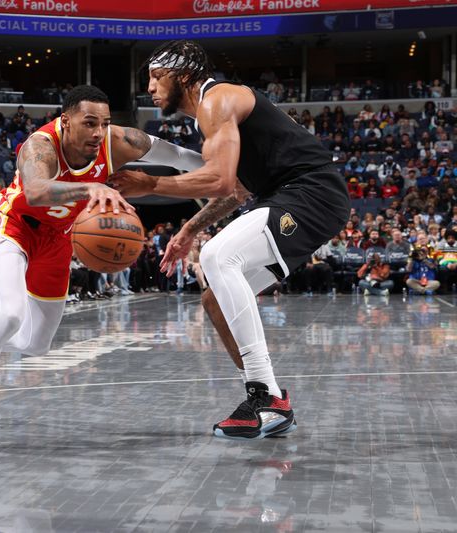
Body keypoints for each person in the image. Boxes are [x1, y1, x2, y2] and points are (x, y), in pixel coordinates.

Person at [0, 85, 196, 452]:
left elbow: (182, 156)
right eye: (89, 123)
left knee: (35, 344)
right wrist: (90, 189)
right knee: (8, 317)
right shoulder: (39, 146)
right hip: (16, 226)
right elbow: (36, 191)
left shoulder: (118, 141)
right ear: (66, 121)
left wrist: (225, 168)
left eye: (103, 123)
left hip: (59, 239)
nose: (98, 132)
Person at [110, 40, 349, 440]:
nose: (149, 86)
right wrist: (188, 230)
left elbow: (219, 180)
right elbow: (236, 190)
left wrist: (149, 181)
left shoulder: (217, 99)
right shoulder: (210, 112)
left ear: (183, 75)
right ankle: (270, 398)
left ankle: (265, 398)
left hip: (311, 191)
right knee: (214, 298)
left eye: (156, 76)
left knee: (219, 256)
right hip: (294, 196)